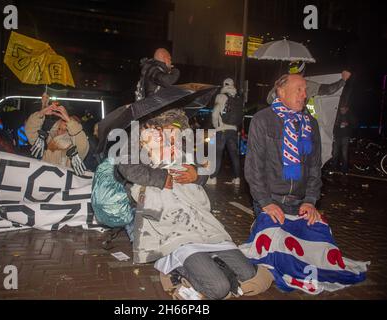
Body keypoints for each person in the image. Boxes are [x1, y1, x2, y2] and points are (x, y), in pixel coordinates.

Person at [115, 109, 272, 300]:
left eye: (177, 131)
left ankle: (212, 263)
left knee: (249, 274)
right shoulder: (144, 147)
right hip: (174, 230)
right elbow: (125, 166)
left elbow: (206, 170)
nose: (173, 137)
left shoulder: (185, 151)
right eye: (167, 131)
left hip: (203, 225)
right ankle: (177, 273)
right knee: (218, 288)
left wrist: (197, 175)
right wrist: (161, 177)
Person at [245, 74, 323, 226]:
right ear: (281, 92)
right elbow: (254, 166)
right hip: (271, 202)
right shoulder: (262, 120)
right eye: (298, 89)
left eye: (305, 90)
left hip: (301, 205)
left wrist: (310, 200)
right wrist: (265, 202)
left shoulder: (310, 124)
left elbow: (315, 166)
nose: (304, 95)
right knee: (271, 248)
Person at [266, 61, 352, 113]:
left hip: (277, 119)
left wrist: (276, 87)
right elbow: (329, 90)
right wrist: (343, 79)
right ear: (303, 71)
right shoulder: (306, 85)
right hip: (296, 122)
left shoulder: (280, 83)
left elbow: (269, 100)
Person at [25, 102, 88, 172]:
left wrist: (69, 121)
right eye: (59, 128)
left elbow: (82, 143)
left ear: (71, 131)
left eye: (65, 130)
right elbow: (30, 130)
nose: (60, 132)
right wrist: (41, 113)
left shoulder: (74, 152)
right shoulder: (46, 142)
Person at [207, 78, 243, 185]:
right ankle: (237, 179)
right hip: (233, 130)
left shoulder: (221, 96)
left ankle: (213, 178)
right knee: (234, 155)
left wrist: (215, 125)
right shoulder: (237, 98)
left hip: (222, 129)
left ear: (224, 84)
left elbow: (214, 113)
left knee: (217, 154)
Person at [331, 105, 357, 174]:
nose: (342, 111)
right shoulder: (337, 115)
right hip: (337, 136)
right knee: (335, 152)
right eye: (341, 110)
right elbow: (334, 124)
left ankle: (344, 169)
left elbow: (354, 124)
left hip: (346, 136)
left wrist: (347, 124)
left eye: (343, 109)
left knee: (344, 153)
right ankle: (333, 167)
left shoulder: (350, 115)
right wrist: (339, 125)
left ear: (346, 109)